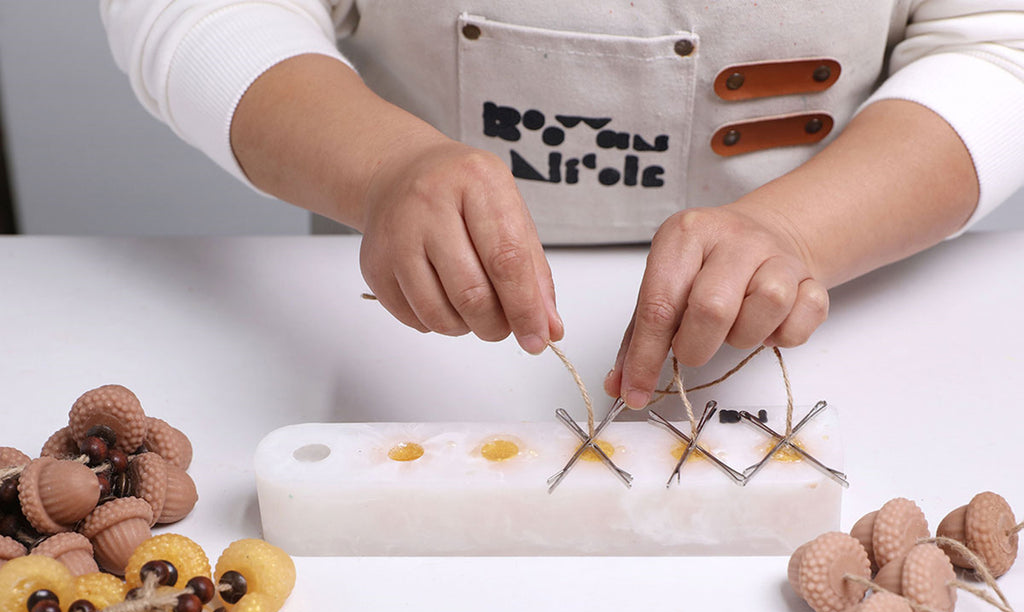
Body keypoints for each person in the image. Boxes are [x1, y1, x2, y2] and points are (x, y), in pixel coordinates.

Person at [102, 2, 1024, 410]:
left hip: (837, 339)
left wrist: (799, 230)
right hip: (394, 347)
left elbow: (996, 38)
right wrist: (384, 168)